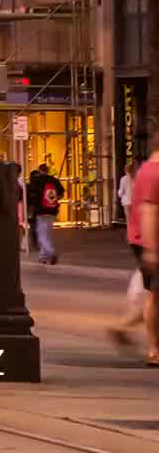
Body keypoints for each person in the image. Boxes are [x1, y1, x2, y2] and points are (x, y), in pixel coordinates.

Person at [111, 135, 159, 363]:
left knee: (154, 295)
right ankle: (153, 349)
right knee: (154, 296)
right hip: (151, 243)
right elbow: (149, 211)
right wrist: (150, 249)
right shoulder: (153, 172)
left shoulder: (147, 171)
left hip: (146, 241)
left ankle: (125, 327)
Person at [26, 163, 63, 264]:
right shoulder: (54, 180)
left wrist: (31, 207)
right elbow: (61, 193)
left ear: (39, 170)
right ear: (47, 170)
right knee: (48, 233)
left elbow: (30, 195)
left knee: (41, 234)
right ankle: (43, 257)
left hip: (41, 210)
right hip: (52, 209)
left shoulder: (36, 181)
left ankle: (51, 252)